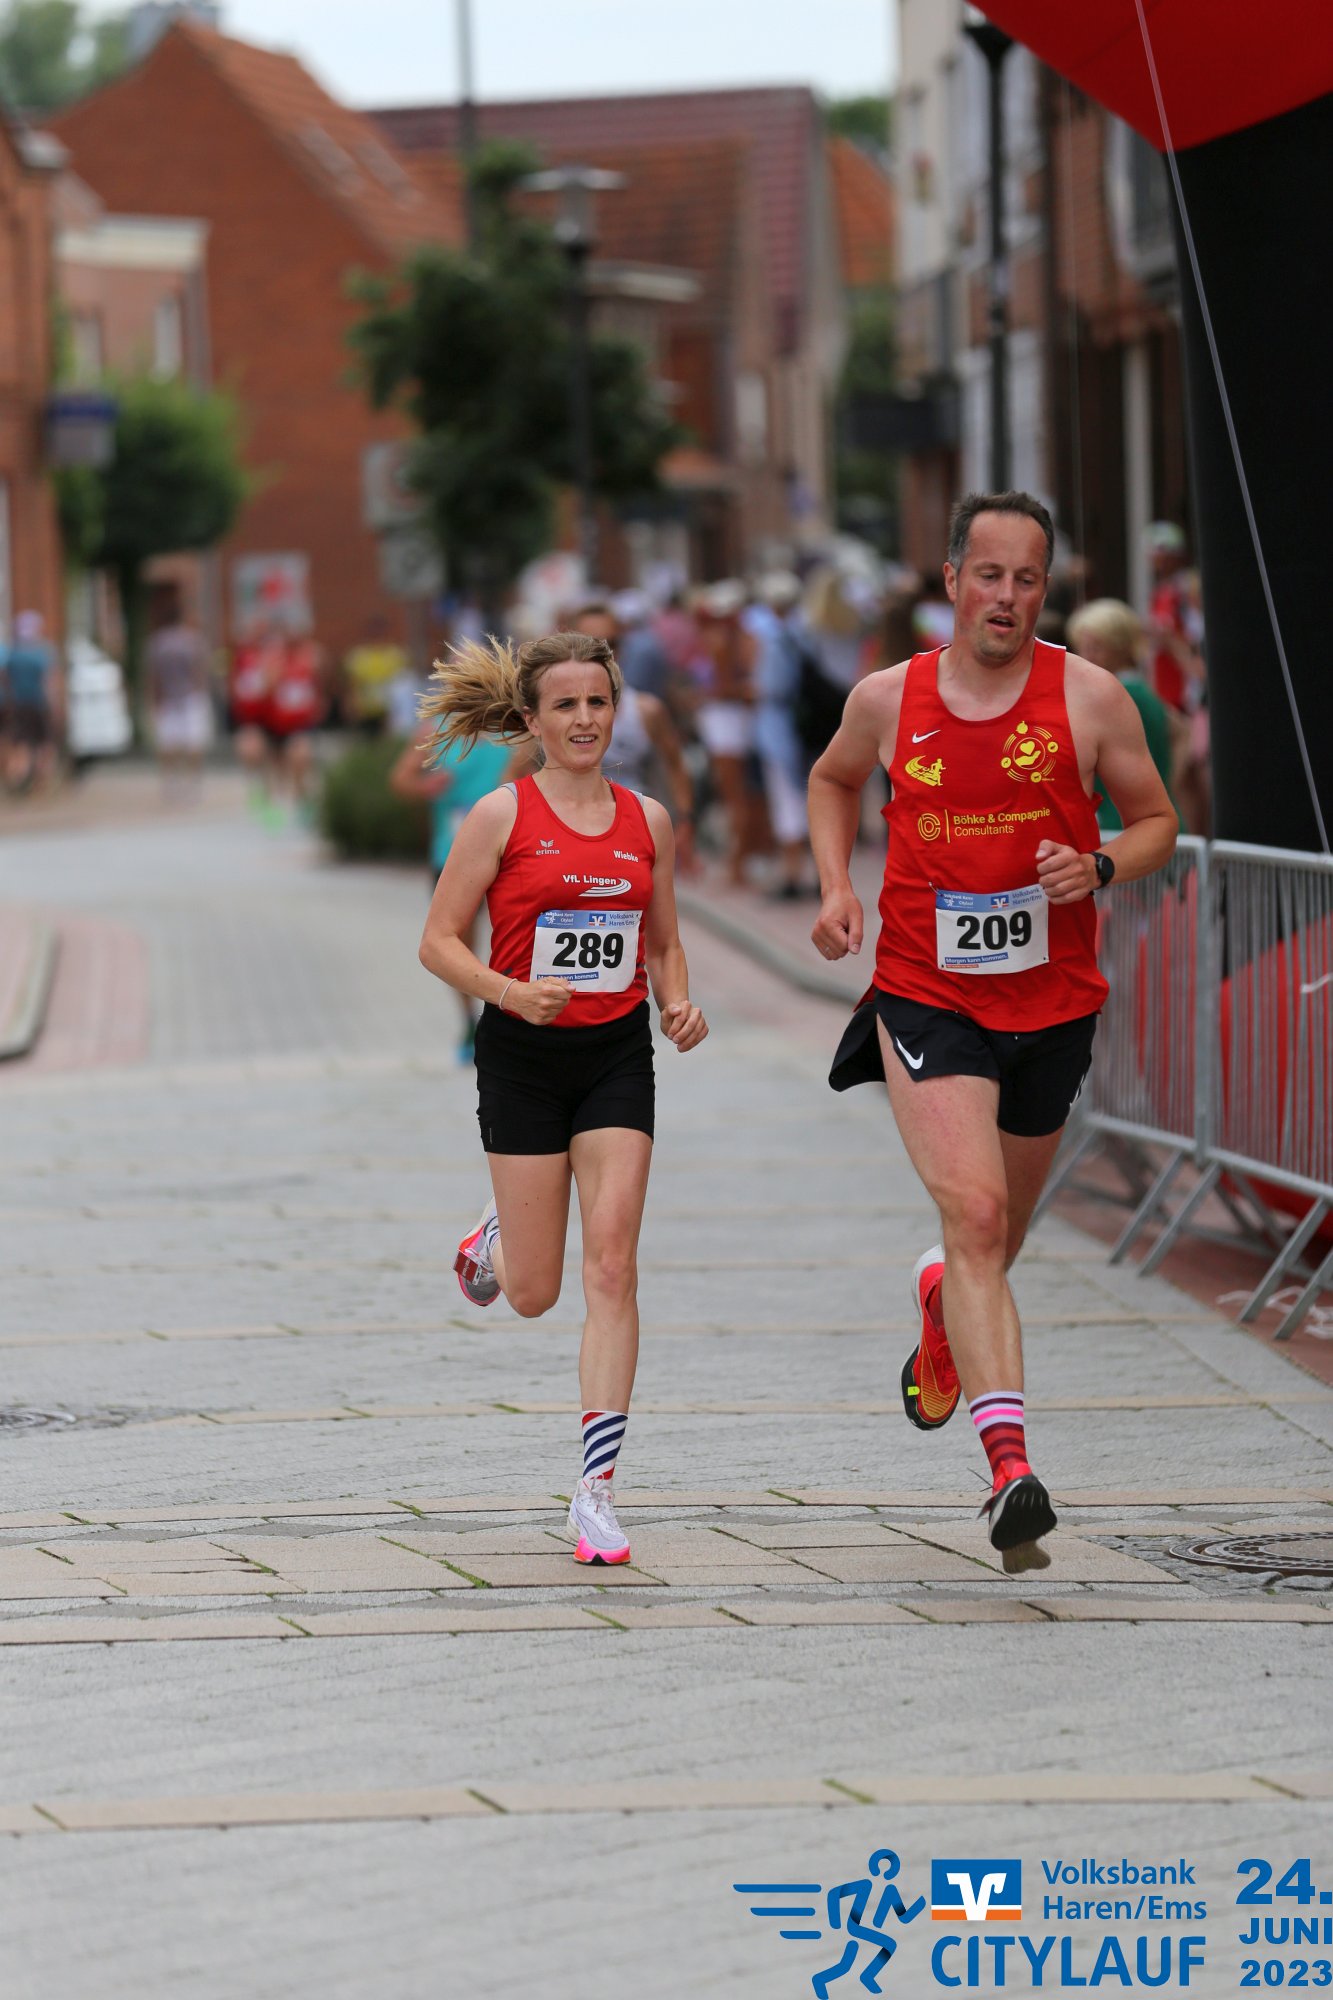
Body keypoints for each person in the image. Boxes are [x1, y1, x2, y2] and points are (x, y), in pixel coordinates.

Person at [809, 491, 1177, 1563]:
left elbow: (1157, 822)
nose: (1005, 596)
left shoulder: (1091, 696)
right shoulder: (889, 697)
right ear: (951, 579)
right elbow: (832, 779)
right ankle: (1011, 1472)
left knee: (994, 1242)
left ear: (1043, 588)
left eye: (1025, 578)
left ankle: (942, 1309)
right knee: (971, 1213)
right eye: (988, 575)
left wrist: (1098, 863)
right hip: (926, 991)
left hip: (1053, 1004)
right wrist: (836, 886)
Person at [417, 630, 707, 1566]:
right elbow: (437, 941)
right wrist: (506, 992)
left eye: (598, 702)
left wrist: (676, 1003)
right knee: (536, 1293)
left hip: (616, 1058)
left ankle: (595, 1492)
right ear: (532, 720)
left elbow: (662, 940)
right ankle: (496, 1239)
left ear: (616, 710)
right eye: (566, 706)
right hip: (521, 1060)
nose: (585, 720)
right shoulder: (500, 815)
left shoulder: (647, 820)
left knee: (612, 1266)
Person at [390, 724, 511, 1060]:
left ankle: (507, 1019)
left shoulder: (516, 727)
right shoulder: (436, 731)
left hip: (509, 852)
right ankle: (470, 1022)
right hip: (452, 854)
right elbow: (400, 779)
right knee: (458, 946)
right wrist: (426, 786)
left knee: (512, 940)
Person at [1065, 598, 1184, 834]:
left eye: (1096, 647)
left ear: (1119, 648)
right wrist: (1169, 782)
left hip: (1125, 828)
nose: (1085, 656)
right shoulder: (1140, 691)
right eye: (1082, 647)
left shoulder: (1118, 695)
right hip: (1142, 824)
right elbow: (1182, 732)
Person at [746, 570, 813, 897]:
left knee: (787, 802)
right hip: (807, 728)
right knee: (806, 799)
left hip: (781, 729)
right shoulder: (806, 633)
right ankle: (812, 873)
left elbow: (770, 687)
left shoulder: (774, 640)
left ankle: (792, 873)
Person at [147, 584, 212, 794]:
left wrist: (154, 700)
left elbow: (153, 675)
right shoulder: (192, 640)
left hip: (167, 698)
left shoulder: (158, 642)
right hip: (191, 696)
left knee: (168, 744)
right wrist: (201, 692)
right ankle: (194, 782)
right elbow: (200, 670)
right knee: (193, 743)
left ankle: (170, 781)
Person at [2, 612, 61, 794]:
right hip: (39, 704)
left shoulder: (13, 654)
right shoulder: (43, 653)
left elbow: (5, 681)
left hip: (19, 705)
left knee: (22, 744)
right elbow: (49, 681)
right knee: (44, 744)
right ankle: (40, 783)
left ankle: (16, 778)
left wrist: (9, 700)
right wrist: (55, 706)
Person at [342, 612, 408, 735]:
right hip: (365, 711)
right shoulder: (358, 656)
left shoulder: (396, 655)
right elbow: (351, 685)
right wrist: (351, 706)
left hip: (390, 710)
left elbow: (404, 684)